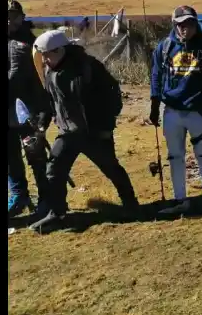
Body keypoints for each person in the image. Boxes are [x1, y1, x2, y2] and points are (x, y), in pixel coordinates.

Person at [27, 31, 139, 232]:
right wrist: (42, 124)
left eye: (47, 54)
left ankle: (131, 205)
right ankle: (57, 214)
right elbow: (50, 102)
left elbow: (112, 95)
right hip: (67, 132)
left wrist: (105, 126)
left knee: (111, 168)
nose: (44, 59)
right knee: (54, 171)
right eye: (42, 55)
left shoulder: (88, 67)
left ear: (60, 50)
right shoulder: (49, 72)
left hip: (93, 132)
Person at [149, 6, 202, 216]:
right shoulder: (164, 47)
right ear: (174, 24)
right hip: (171, 111)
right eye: (180, 24)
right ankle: (180, 199)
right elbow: (156, 76)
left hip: (198, 111)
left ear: (195, 23)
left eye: (188, 23)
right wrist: (154, 106)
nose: (184, 28)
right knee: (175, 157)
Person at [7, 0, 51, 217]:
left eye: (13, 15)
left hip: (29, 111)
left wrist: (45, 111)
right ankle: (19, 196)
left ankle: (47, 199)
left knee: (36, 157)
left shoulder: (32, 44)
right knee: (10, 157)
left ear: (21, 17)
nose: (9, 20)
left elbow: (44, 79)